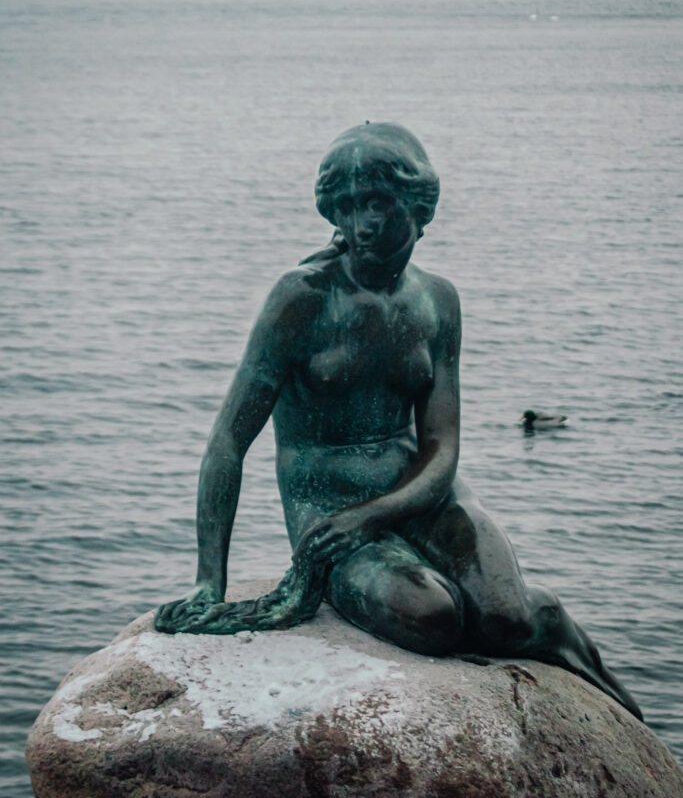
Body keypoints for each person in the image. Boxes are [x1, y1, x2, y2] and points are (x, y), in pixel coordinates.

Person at [155, 122, 641, 720]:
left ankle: (616, 706)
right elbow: (228, 441)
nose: (363, 223)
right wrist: (210, 579)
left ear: (418, 204)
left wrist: (379, 513)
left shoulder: (437, 300)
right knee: (434, 617)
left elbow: (442, 449)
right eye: (349, 205)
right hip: (328, 511)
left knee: (508, 619)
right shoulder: (301, 297)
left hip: (420, 494)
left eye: (379, 202)